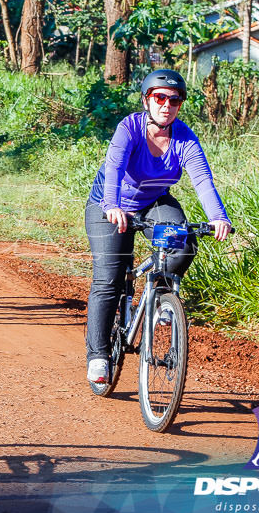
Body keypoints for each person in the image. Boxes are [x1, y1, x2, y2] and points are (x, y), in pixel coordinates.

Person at [84, 69, 231, 385]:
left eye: (174, 100)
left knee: (184, 240)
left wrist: (219, 217)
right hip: (108, 205)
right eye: (159, 97)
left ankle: (162, 294)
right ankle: (98, 355)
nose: (167, 105)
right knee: (108, 278)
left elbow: (202, 181)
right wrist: (112, 206)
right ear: (146, 99)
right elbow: (114, 169)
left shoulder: (185, 138)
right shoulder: (130, 129)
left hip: (153, 203)